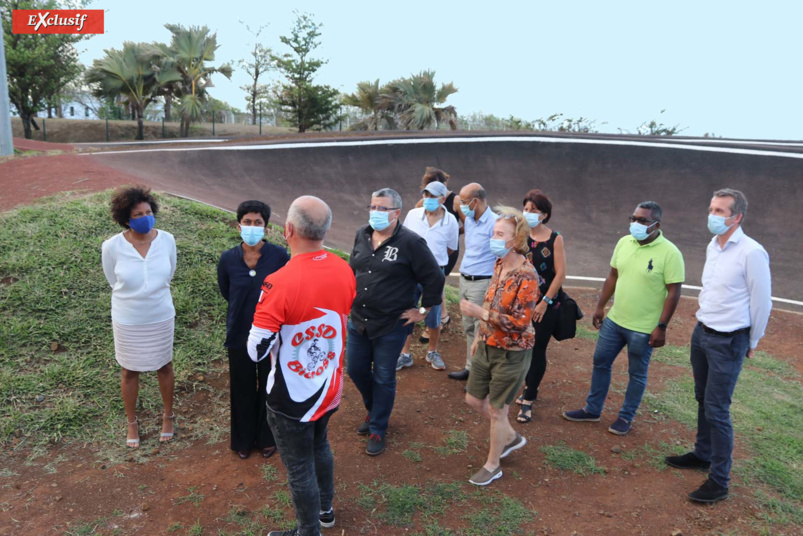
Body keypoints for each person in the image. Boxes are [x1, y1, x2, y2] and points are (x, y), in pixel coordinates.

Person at [247, 196, 356, 536]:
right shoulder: (343, 267)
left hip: (292, 397)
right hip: (329, 386)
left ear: (288, 230)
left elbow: (255, 351)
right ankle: (325, 511)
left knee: (298, 467)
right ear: (324, 231)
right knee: (320, 446)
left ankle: (308, 532)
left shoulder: (279, 282)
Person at [665, 189, 771, 504]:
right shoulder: (714, 245)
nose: (713, 215)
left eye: (721, 211)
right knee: (702, 399)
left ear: (737, 217)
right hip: (703, 333)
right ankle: (703, 453)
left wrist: (752, 341)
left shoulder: (752, 252)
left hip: (729, 340)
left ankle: (720, 480)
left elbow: (761, 302)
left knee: (717, 409)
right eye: (712, 209)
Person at [562, 201, 685, 436]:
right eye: (634, 219)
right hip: (615, 321)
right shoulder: (624, 243)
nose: (635, 224)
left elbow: (673, 292)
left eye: (642, 221)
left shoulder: (670, 253)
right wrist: (600, 307)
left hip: (644, 329)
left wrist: (661, 326)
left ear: (656, 224)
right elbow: (612, 276)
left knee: (637, 374)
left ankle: (625, 417)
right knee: (600, 363)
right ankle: (592, 410)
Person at [347, 188, 445, 455]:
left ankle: (378, 427)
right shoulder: (362, 234)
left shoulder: (411, 243)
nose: (375, 213)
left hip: (391, 324)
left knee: (384, 376)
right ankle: (374, 409)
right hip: (358, 320)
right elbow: (352, 268)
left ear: (397, 213)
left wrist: (422, 311)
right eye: (373, 207)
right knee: (355, 369)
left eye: (382, 208)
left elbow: (434, 278)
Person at [460, 207, 540, 486]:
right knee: (473, 399)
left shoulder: (527, 275)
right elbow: (491, 302)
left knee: (497, 410)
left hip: (512, 353)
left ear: (515, 239)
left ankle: (493, 465)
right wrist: (480, 338)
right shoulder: (499, 264)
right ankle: (510, 437)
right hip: (486, 345)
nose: (493, 237)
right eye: (493, 232)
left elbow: (520, 322)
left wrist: (480, 315)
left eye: (499, 234)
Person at [101, 186, 177, 449]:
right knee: (129, 370)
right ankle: (132, 422)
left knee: (164, 365)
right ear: (126, 218)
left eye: (148, 212)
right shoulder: (112, 246)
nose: (145, 216)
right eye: (138, 214)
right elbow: (113, 279)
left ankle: (168, 417)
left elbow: (168, 275)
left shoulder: (167, 240)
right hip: (128, 318)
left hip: (160, 315)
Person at [217, 200, 289, 460]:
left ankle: (268, 437)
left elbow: (286, 292)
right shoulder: (227, 259)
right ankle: (244, 440)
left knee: (270, 386)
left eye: (257, 223)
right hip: (239, 334)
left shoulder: (280, 257)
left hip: (271, 334)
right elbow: (228, 292)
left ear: (266, 228)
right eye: (247, 222)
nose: (252, 227)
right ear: (238, 225)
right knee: (242, 386)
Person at [515, 189, 566, 423]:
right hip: (520, 303)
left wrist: (544, 302)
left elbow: (560, 274)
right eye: (526, 209)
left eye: (533, 211)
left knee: (537, 350)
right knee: (519, 348)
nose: (528, 214)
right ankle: (523, 386)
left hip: (544, 306)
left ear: (544, 215)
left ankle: (528, 398)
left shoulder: (555, 238)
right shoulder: (519, 234)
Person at [397, 180, 459, 371]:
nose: (428, 199)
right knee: (408, 310)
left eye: (432, 196)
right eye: (425, 195)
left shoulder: (451, 221)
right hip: (410, 272)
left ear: (442, 198)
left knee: (434, 314)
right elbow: (403, 238)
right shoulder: (413, 215)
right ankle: (405, 354)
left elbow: (450, 249)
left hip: (434, 273)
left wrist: (433, 262)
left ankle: (432, 351)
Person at [449, 182, 499, 381]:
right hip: (465, 279)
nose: (460, 205)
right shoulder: (469, 221)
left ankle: (480, 374)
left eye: (463, 201)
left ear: (475, 202)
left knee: (482, 328)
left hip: (482, 282)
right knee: (469, 326)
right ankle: (471, 367)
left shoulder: (495, 223)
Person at [414, 167, 462, 329]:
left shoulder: (455, 200)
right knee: (435, 284)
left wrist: (451, 233)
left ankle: (436, 320)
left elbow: (468, 222)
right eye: (427, 191)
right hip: (426, 252)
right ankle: (442, 316)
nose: (429, 196)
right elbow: (415, 220)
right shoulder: (423, 202)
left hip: (445, 249)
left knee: (437, 281)